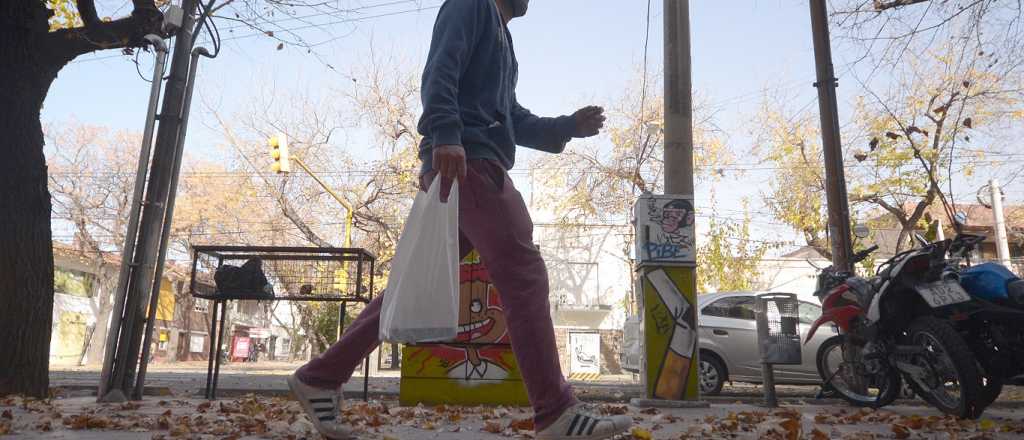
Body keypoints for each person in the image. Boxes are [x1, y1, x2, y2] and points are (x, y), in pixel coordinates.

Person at [286, 1, 631, 439]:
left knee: (410, 286)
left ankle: (320, 377)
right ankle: (556, 412)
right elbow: (439, 73)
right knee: (526, 276)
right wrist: (446, 135)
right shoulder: (472, 5)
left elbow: (511, 118)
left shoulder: (502, 37)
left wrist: (566, 126)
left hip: (469, 161)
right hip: (469, 164)